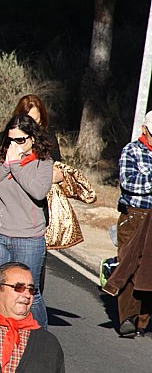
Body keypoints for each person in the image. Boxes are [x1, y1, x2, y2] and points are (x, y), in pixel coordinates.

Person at [0, 114, 53, 328]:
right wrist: (6, 165)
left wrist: (16, 166)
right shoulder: (2, 159)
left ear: (32, 139)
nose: (15, 145)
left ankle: (41, 338)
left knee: (30, 292)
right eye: (11, 140)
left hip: (28, 238)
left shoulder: (44, 162)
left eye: (20, 140)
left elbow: (38, 192)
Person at [103, 110, 152, 337]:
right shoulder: (131, 151)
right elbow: (129, 182)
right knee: (129, 264)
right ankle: (127, 318)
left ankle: (143, 320)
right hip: (135, 216)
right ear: (145, 130)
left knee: (148, 270)